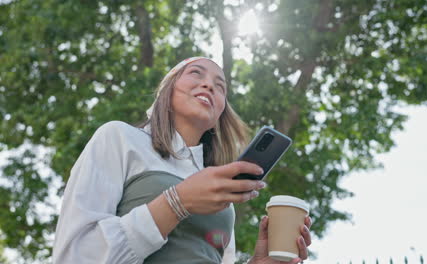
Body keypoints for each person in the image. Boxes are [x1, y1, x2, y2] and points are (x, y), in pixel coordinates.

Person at [52, 57, 312, 264]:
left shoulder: (221, 197)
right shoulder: (119, 137)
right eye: (196, 73)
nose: (209, 85)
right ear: (167, 89)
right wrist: (177, 203)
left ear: (221, 111)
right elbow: (75, 256)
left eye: (220, 86)